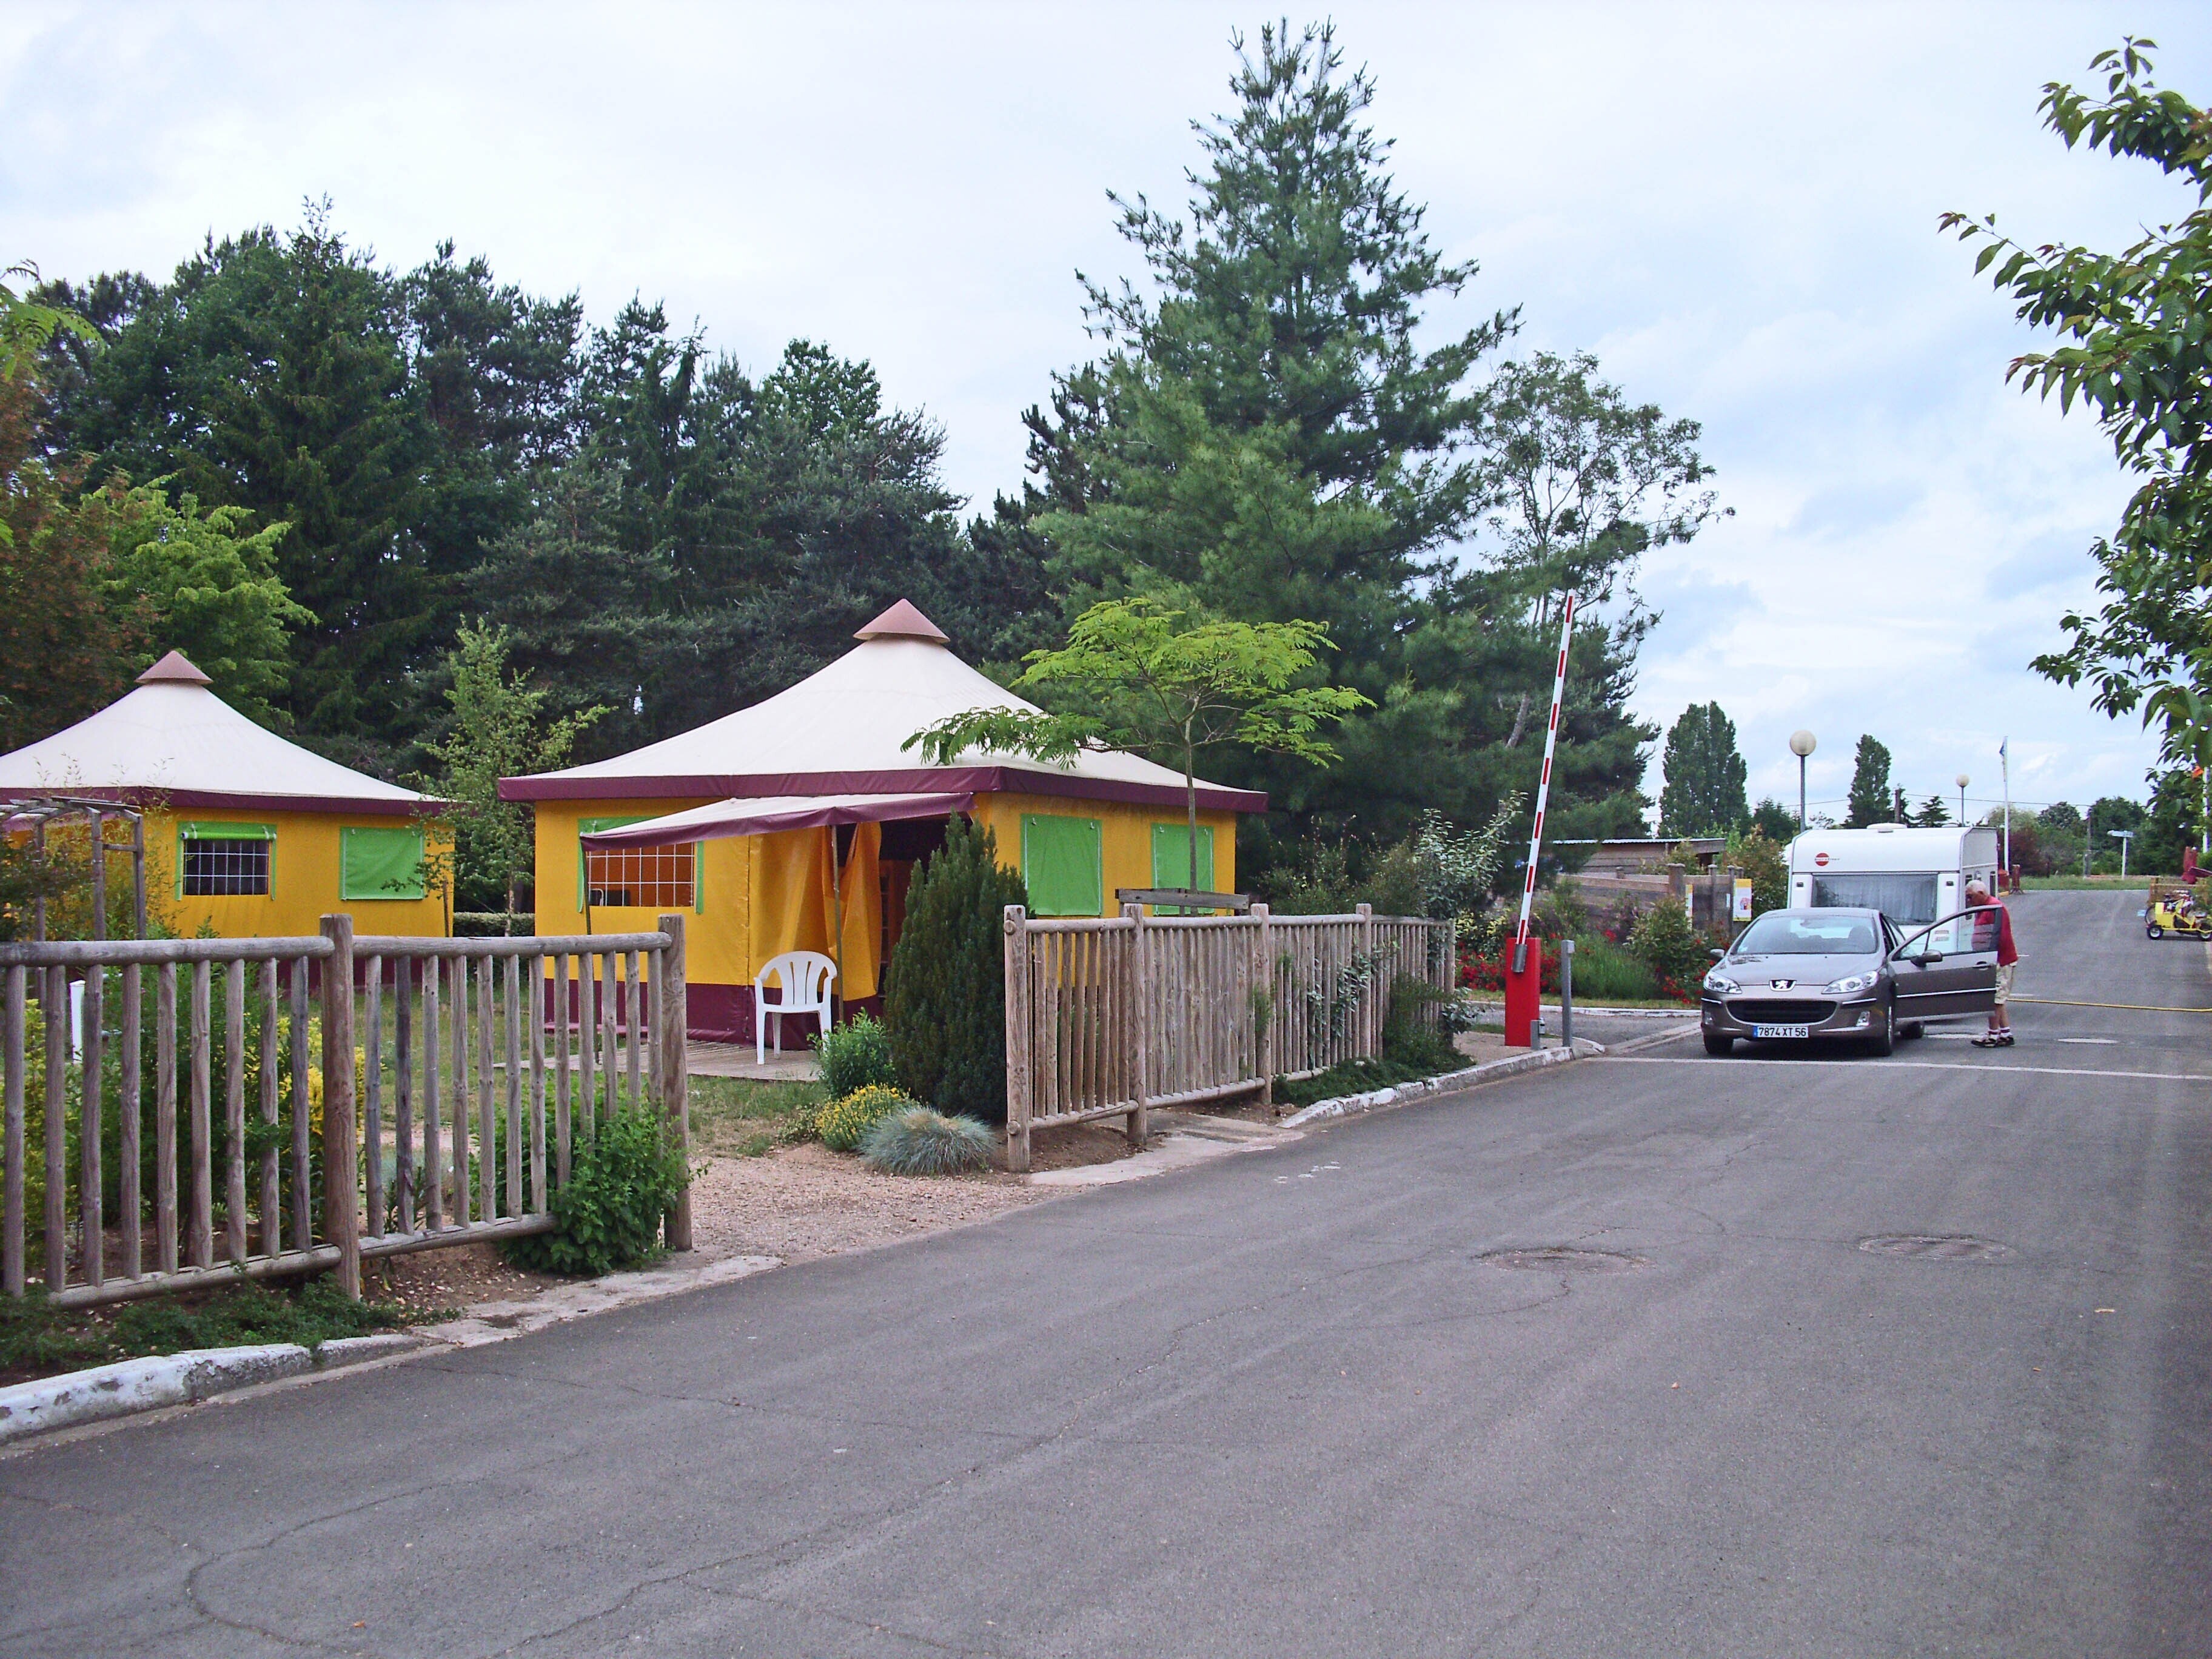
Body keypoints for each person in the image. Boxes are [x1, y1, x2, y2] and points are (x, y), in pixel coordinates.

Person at [1966, 878, 2019, 1047]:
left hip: (2000, 960)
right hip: (1994, 959)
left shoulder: (1994, 908)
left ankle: (1993, 1034)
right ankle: (2005, 1033)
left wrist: (1989, 957)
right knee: (1999, 998)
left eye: (1971, 897)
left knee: (1995, 999)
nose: (1969, 901)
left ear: (1981, 894)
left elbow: (1999, 936)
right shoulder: (1984, 908)